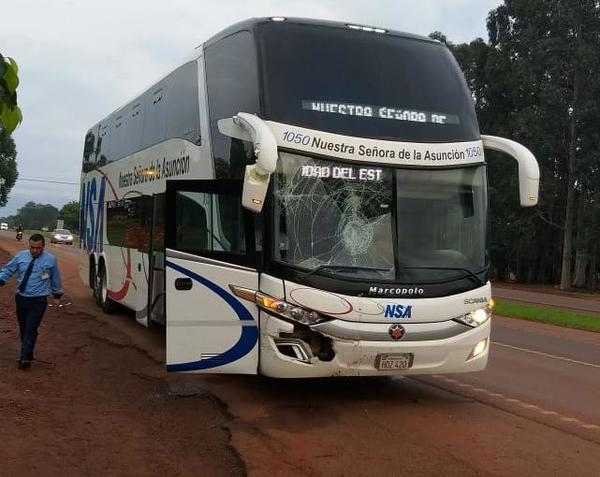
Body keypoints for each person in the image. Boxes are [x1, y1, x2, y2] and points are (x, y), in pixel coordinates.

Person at [0, 233, 63, 369]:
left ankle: (24, 358)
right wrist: (1, 280)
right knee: (24, 327)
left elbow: (55, 278)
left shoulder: (51, 260)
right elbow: (8, 270)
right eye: (32, 247)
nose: (35, 250)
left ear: (43, 247)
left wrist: (57, 294)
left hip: (39, 300)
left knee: (31, 327)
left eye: (38, 248)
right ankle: (28, 353)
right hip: (21, 298)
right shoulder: (20, 256)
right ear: (29, 245)